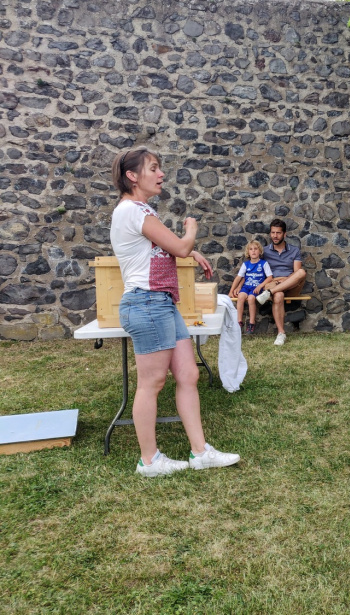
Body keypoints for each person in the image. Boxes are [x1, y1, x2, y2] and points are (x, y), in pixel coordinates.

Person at [110, 148, 240, 477]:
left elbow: (164, 249)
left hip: (161, 304)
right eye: (154, 168)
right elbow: (179, 245)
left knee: (188, 375)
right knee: (151, 383)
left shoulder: (140, 211)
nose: (161, 174)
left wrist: (189, 253)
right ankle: (149, 460)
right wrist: (191, 231)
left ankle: (200, 453)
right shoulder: (132, 211)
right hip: (146, 303)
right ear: (133, 176)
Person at [255, 218, 307, 346]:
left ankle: (269, 293)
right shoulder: (265, 251)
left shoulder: (294, 250)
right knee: (278, 295)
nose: (275, 236)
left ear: (285, 234)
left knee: (301, 272)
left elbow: (297, 273)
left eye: (278, 233)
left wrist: (286, 280)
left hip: (290, 283)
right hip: (273, 282)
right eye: (273, 233)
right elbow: (251, 267)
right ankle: (281, 333)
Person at [228, 240, 273, 334]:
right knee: (240, 297)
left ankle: (252, 323)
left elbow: (270, 277)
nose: (253, 251)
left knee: (251, 298)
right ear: (248, 252)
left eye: (256, 249)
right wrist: (231, 291)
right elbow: (238, 277)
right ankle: (239, 322)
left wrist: (261, 285)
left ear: (260, 251)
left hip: (257, 288)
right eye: (251, 249)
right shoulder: (246, 264)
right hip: (246, 287)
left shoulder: (264, 264)